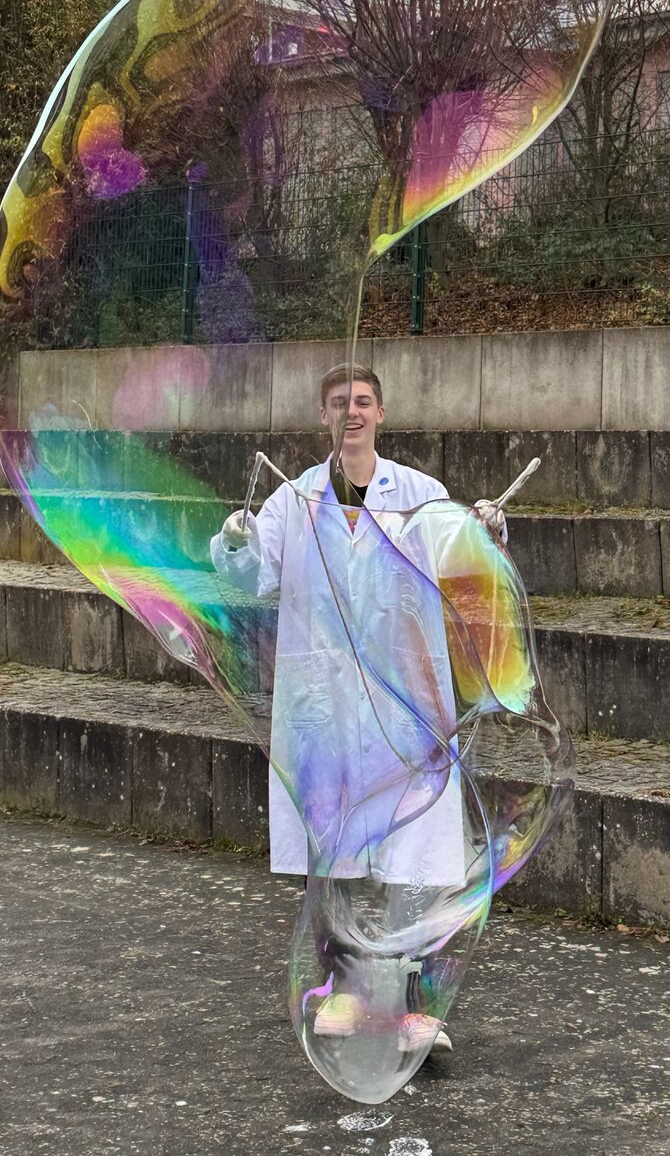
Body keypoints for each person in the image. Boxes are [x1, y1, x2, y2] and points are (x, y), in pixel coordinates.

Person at [210, 363, 506, 1054]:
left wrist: (486, 530)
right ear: (324, 415)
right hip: (326, 710)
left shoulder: (422, 494)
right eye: (340, 402)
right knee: (333, 855)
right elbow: (251, 575)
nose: (352, 412)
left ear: (380, 414)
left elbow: (464, 568)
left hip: (408, 709)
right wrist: (235, 539)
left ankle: (417, 1006)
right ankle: (342, 989)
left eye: (364, 402)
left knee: (420, 855)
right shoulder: (293, 500)